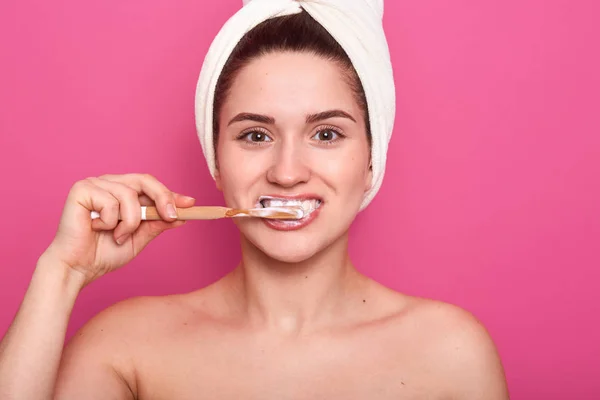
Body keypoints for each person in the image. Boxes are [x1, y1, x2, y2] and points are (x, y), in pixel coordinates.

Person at [0, 1, 510, 399]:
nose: (287, 173)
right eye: (255, 136)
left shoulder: (451, 353)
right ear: (216, 161)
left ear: (373, 159)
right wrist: (60, 274)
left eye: (327, 134)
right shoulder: (123, 347)